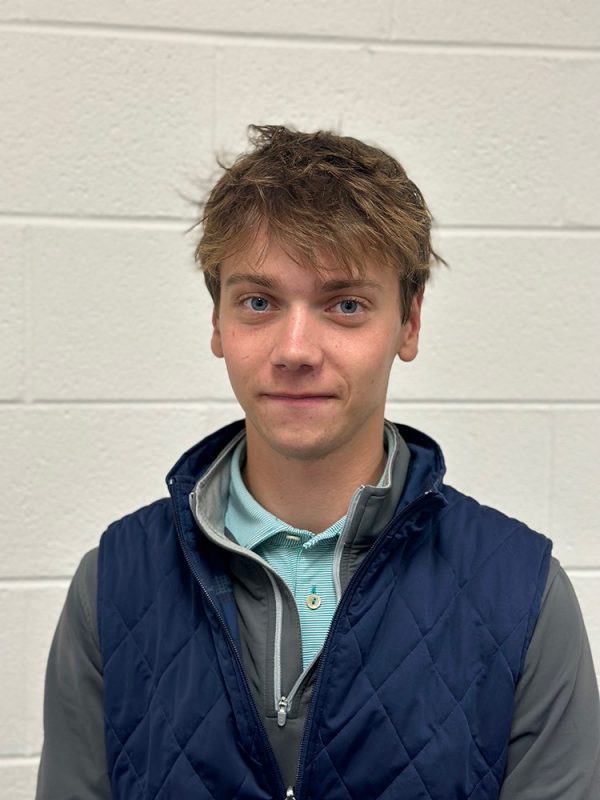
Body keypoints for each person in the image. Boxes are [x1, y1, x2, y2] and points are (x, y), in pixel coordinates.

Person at [37, 125, 599, 800]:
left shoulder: (524, 593)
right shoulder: (113, 586)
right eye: (259, 302)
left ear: (409, 323)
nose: (296, 348)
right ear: (217, 321)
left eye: (346, 305)